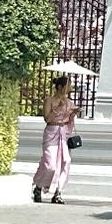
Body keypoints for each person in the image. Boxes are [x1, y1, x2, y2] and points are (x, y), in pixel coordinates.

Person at [33, 76, 77, 204]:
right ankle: (39, 186)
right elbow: (47, 118)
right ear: (60, 87)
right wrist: (57, 108)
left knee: (65, 161)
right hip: (52, 132)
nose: (68, 89)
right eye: (67, 86)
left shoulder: (69, 102)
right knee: (50, 164)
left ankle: (58, 191)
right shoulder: (49, 100)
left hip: (63, 133)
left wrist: (72, 115)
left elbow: (69, 121)